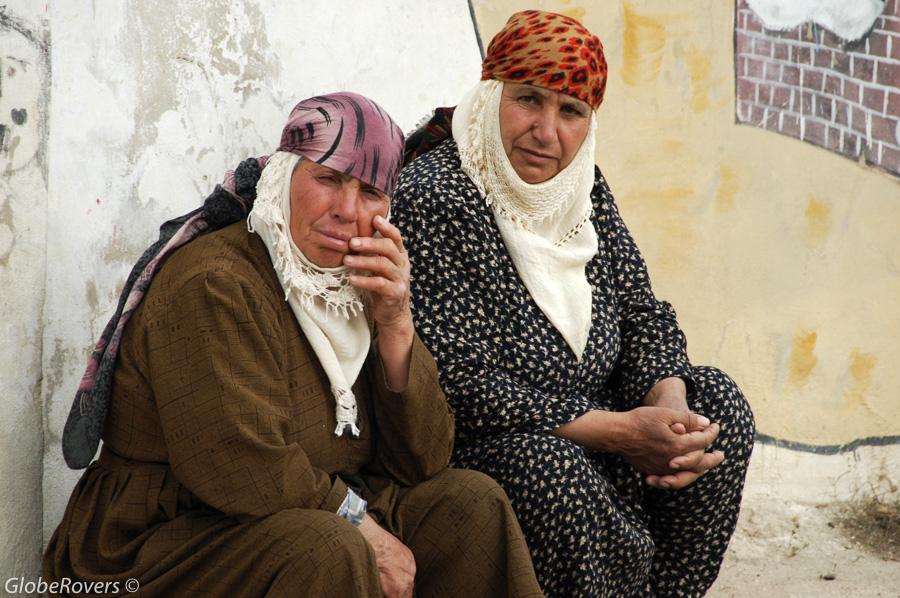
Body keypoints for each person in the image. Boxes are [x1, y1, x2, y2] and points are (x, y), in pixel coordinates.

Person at [46, 92, 543, 598]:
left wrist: (396, 322)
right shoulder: (217, 283)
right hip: (161, 536)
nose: (347, 211)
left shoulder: (353, 285)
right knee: (329, 547)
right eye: (328, 179)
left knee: (469, 505)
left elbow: (421, 462)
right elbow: (244, 467)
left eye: (371, 192)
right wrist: (363, 527)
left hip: (299, 513)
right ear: (283, 177)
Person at [393, 10, 755, 598]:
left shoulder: (581, 186)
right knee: (554, 473)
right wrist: (619, 432)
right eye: (528, 100)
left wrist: (669, 411)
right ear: (491, 96)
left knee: (717, 409)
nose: (546, 132)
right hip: (496, 449)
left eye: (571, 111)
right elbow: (458, 385)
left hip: (605, 429)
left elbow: (641, 311)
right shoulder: (436, 197)